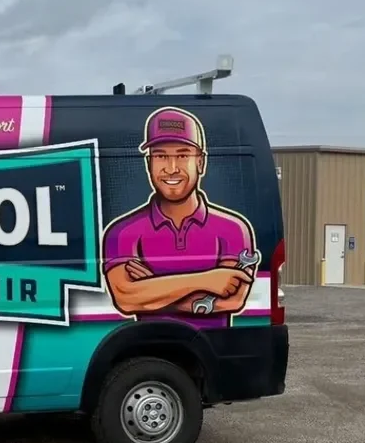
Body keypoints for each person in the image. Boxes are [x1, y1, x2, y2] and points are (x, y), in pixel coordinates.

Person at [101, 107, 258, 328]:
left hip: (213, 350)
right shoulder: (122, 232)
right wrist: (207, 280)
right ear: (149, 164)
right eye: (161, 156)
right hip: (145, 349)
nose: (171, 168)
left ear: (200, 162)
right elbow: (125, 298)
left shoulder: (233, 229)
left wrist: (151, 289)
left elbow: (233, 299)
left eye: (183, 155)